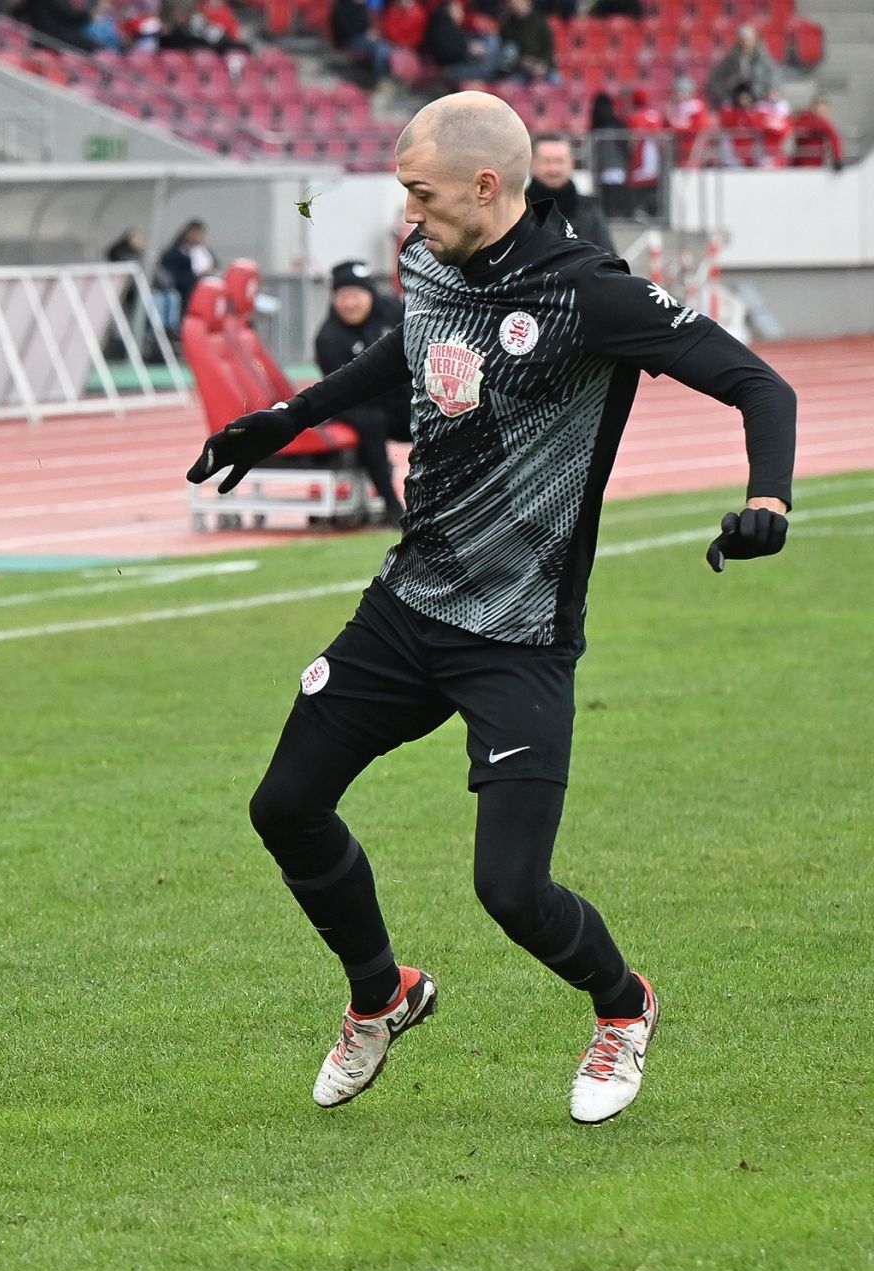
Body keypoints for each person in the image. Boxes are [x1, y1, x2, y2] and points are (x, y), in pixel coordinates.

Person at [187, 91, 793, 1125]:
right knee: (282, 804)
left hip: (519, 632)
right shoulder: (426, 265)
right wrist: (282, 419)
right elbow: (406, 351)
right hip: (409, 604)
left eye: (420, 193)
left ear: (485, 185)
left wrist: (767, 498)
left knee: (511, 890)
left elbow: (758, 385)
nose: (407, 217)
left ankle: (622, 1003)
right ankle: (381, 992)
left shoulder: (589, 291)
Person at [312, 261, 405, 525]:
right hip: (354, 405)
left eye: (356, 295)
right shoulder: (328, 337)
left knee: (439, 411)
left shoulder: (391, 312)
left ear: (370, 295)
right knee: (369, 421)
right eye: (343, 296)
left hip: (397, 399)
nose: (350, 303)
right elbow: (345, 390)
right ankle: (391, 505)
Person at [524, 132, 613, 253]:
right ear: (532, 164)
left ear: (571, 164)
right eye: (546, 161)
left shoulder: (590, 211)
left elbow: (609, 258)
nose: (553, 169)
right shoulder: (519, 209)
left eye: (559, 161)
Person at [157, 219, 213, 334]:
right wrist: (196, 276)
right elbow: (174, 276)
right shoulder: (176, 252)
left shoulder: (204, 251)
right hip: (184, 287)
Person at [706, 24, 777, 108]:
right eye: (744, 40)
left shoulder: (764, 59)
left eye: (750, 39)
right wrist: (728, 96)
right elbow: (716, 80)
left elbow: (774, 77)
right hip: (735, 99)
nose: (747, 42)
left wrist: (770, 91)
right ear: (739, 41)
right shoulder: (731, 59)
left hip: (760, 97)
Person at [496, 0, 555, 84]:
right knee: (510, 86)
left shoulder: (540, 22)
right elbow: (508, 51)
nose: (516, 4)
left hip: (541, 65)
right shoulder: (508, 25)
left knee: (557, 82)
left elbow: (549, 48)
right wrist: (523, 62)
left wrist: (542, 65)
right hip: (520, 69)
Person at [784, 96, 843, 170]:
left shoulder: (822, 123)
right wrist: (837, 158)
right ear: (813, 108)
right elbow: (835, 138)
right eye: (820, 110)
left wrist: (837, 158)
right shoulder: (805, 120)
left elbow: (834, 139)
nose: (822, 113)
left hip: (811, 163)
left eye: (824, 111)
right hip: (801, 162)